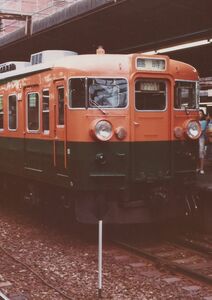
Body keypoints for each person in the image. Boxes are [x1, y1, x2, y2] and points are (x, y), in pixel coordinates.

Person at [198, 109, 208, 174]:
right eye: (198, 114)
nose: (199, 115)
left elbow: (201, 131)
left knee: (201, 153)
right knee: (196, 153)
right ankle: (197, 167)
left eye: (200, 114)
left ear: (203, 115)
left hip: (201, 139)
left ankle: (201, 169)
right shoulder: (196, 121)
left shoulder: (204, 122)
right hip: (196, 139)